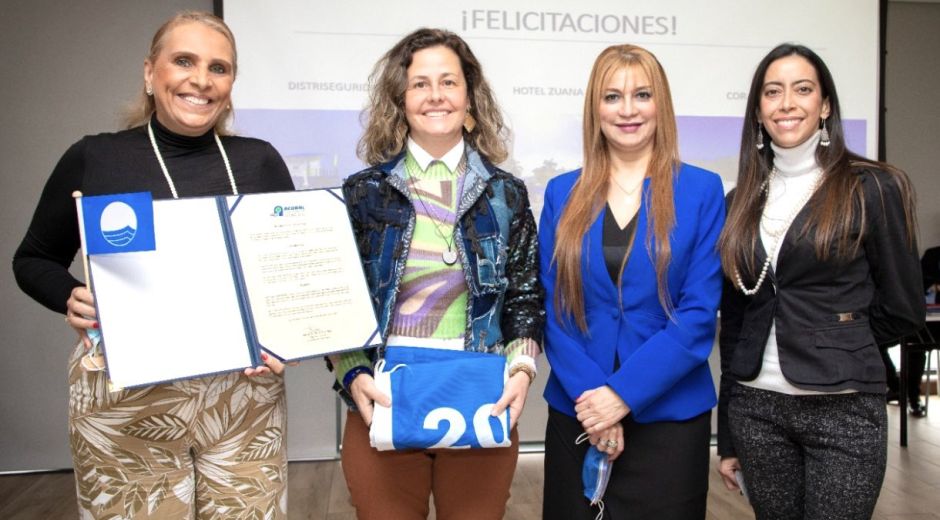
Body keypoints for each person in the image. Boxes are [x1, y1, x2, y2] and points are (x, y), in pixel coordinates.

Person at [12, 11, 293, 518]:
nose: (201, 80)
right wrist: (68, 294)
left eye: (219, 67)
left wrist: (289, 332)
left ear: (230, 84)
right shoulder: (95, 158)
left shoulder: (259, 161)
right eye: (183, 61)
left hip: (243, 400)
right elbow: (33, 259)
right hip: (124, 402)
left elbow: (287, 271)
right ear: (149, 73)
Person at [329, 28, 544, 520]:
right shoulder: (363, 192)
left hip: (481, 396)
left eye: (448, 82)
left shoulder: (505, 193)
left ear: (469, 95)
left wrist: (522, 368)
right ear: (400, 99)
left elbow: (526, 295)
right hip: (383, 396)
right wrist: (352, 373)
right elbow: (338, 301)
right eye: (420, 83)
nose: (435, 95)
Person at [716, 43, 924, 520]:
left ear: (825, 104)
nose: (787, 103)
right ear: (758, 110)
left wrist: (839, 343)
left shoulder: (873, 186)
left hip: (845, 412)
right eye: (773, 92)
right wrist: (728, 433)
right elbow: (736, 324)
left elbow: (903, 306)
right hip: (756, 410)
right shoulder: (739, 201)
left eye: (802, 89)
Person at [539, 44, 725, 519]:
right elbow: (554, 310)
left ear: (660, 103)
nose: (627, 110)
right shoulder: (563, 193)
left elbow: (698, 316)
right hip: (578, 412)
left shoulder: (702, 190)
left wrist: (621, 396)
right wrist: (594, 402)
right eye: (612, 96)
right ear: (594, 108)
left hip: (669, 417)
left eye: (641, 94)